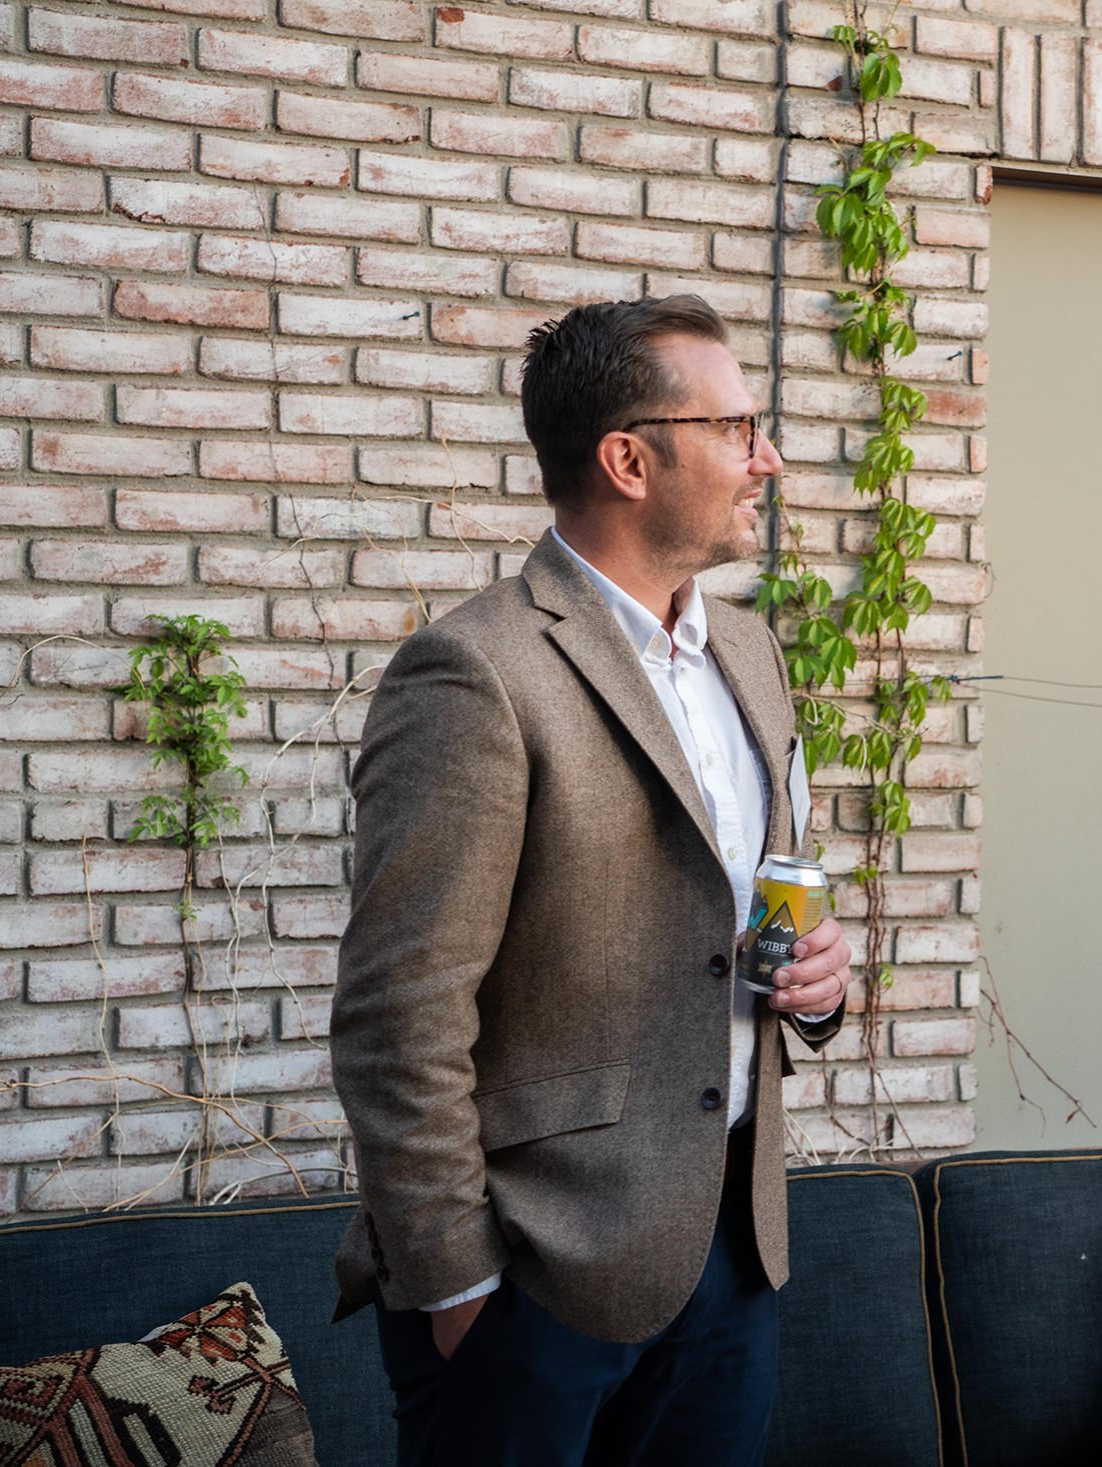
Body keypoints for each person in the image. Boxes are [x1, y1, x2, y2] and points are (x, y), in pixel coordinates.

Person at [331, 295, 851, 1467]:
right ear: (627, 458)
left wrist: (817, 981)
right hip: (535, 1276)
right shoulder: (474, 671)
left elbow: (749, 904)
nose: (765, 458)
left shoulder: (751, 654)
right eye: (736, 427)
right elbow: (396, 1014)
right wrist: (457, 1284)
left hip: (731, 1250)